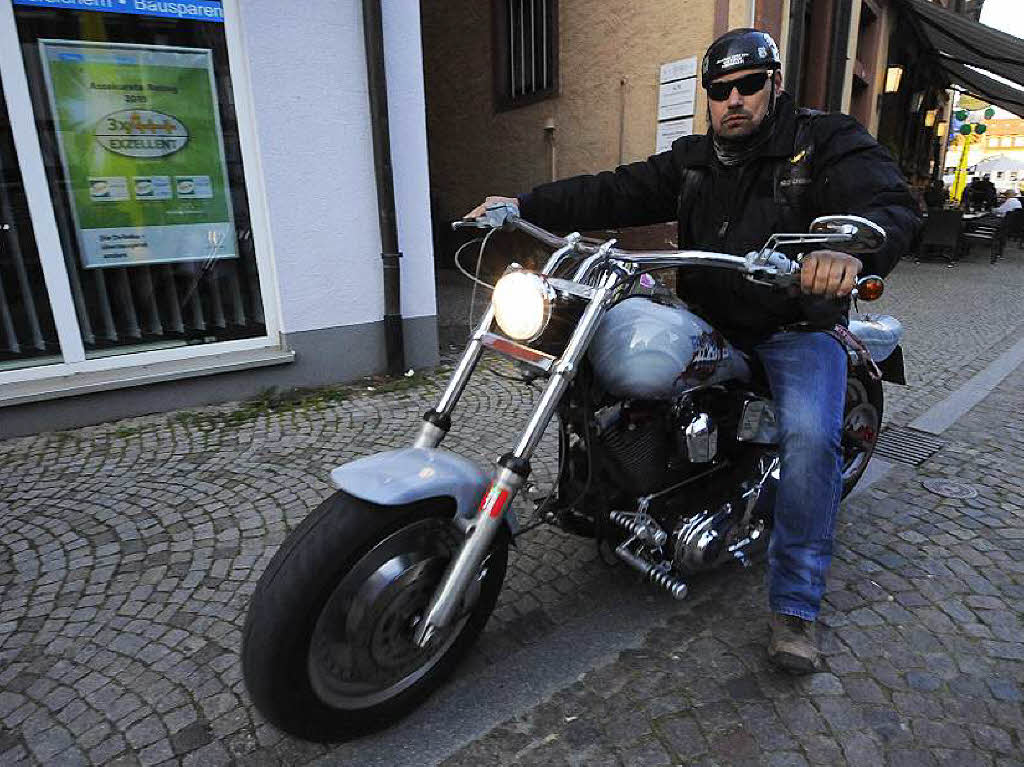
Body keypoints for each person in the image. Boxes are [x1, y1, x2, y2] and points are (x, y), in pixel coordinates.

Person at [467, 28, 920, 674]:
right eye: (720, 90)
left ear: (774, 85)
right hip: (712, 317)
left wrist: (849, 253)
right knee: (612, 364)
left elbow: (887, 200)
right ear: (707, 98)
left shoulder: (822, 142)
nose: (733, 100)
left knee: (811, 438)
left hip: (795, 328)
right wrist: (523, 204)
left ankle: (794, 603)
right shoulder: (693, 161)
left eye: (747, 86)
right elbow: (613, 189)